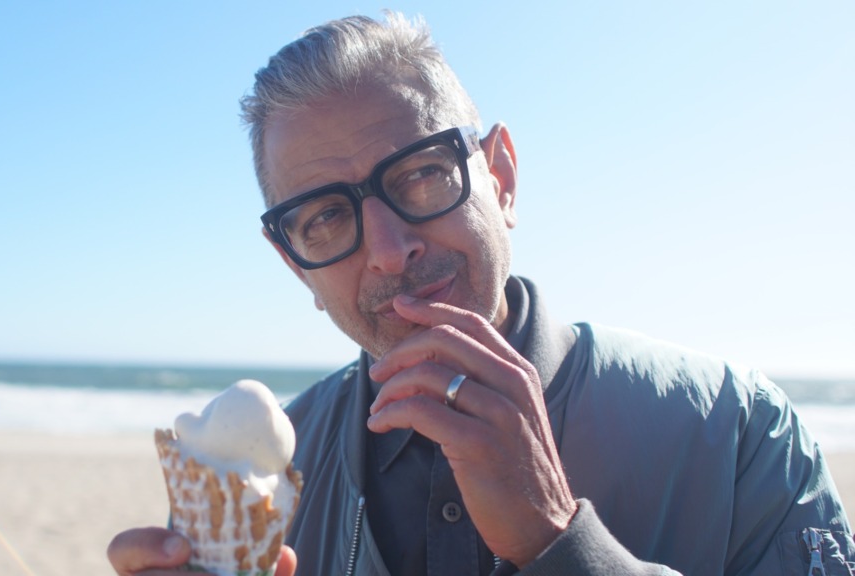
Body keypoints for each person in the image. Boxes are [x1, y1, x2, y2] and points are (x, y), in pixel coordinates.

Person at [108, 12, 854, 575]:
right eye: (329, 217)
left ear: (500, 177)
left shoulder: (738, 433)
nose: (393, 250)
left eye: (422, 174)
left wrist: (560, 541)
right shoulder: (273, 483)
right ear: (295, 263)